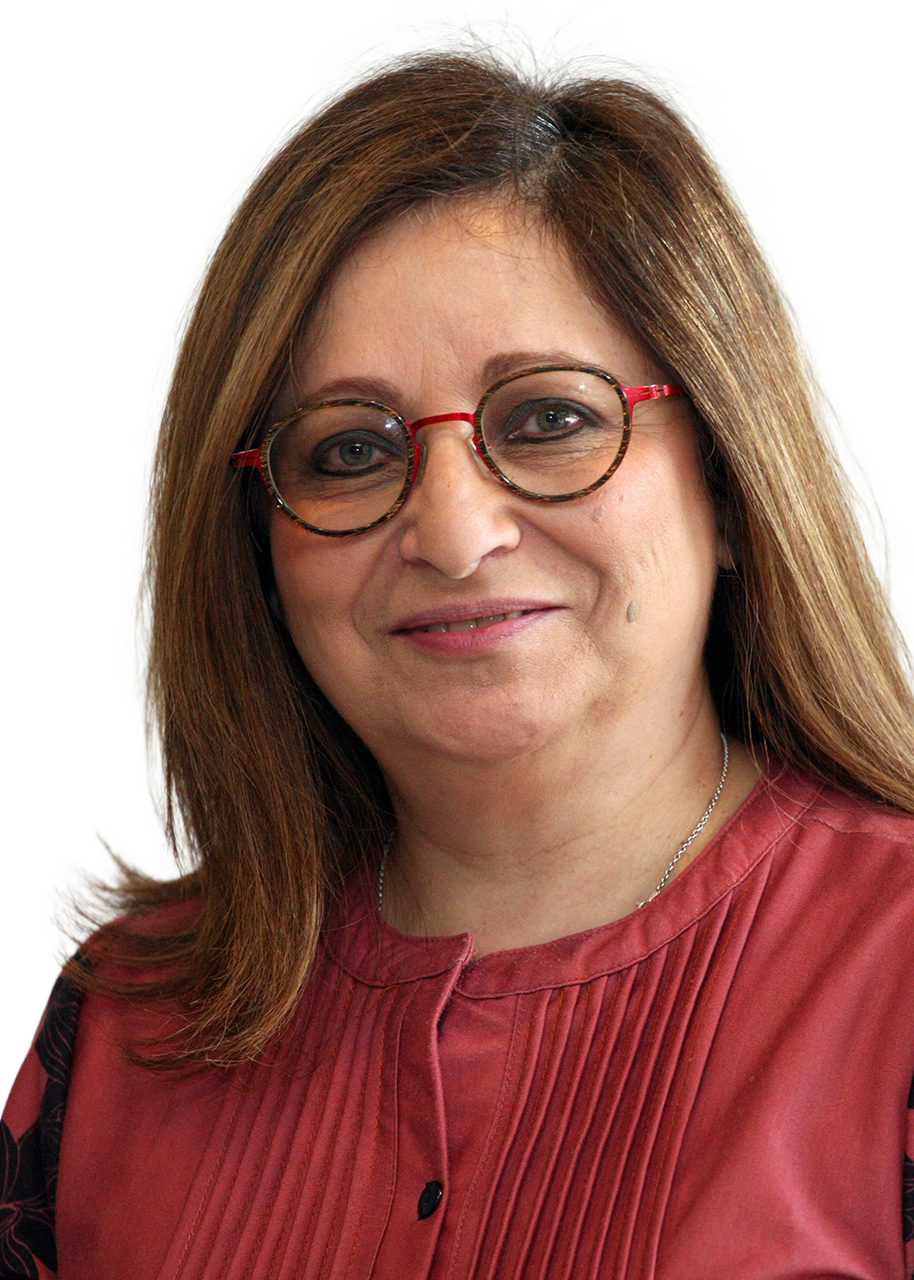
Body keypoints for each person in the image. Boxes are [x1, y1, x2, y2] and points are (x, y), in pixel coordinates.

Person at [3, 31, 914, 1280]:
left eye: (548, 418)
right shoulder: (122, 1021)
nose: (453, 531)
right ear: (259, 547)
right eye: (350, 449)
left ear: (727, 482)